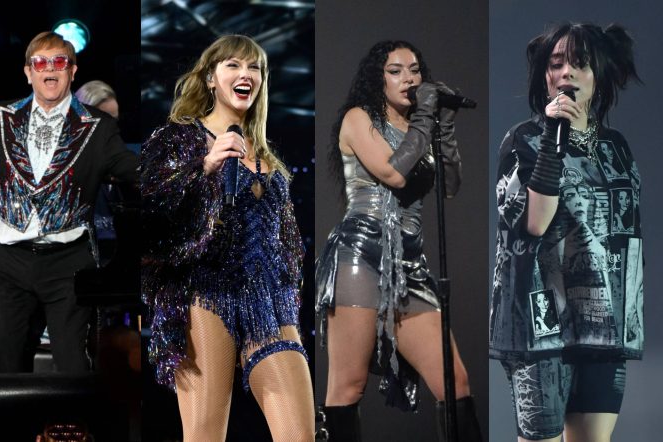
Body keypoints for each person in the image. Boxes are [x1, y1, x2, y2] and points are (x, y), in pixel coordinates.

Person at [140, 34, 314, 440]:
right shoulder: (178, 139)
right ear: (211, 79)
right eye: (233, 65)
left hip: (269, 301)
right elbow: (150, 214)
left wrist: (290, 296)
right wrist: (204, 168)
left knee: (300, 434)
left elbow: (287, 245)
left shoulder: (267, 155)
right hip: (204, 290)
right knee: (204, 435)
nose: (245, 74)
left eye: (254, 67)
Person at [315, 40, 482, 441]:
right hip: (362, 254)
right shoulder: (359, 119)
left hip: (409, 263)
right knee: (348, 385)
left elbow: (452, 186)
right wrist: (426, 116)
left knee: (453, 380)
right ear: (379, 78)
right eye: (396, 70)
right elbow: (393, 174)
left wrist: (445, 125)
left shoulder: (422, 128)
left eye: (414, 69)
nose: (408, 78)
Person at [490, 22, 643, 442]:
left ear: (599, 77)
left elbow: (623, 235)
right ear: (545, 75)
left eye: (580, 64)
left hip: (603, 325)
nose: (567, 74)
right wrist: (554, 142)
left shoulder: (616, 147)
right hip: (540, 323)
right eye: (556, 64)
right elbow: (535, 222)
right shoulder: (523, 140)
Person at [0, 31, 138, 373]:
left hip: (69, 263)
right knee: (4, 361)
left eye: (59, 61)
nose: (50, 68)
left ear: (72, 71)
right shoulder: (0, 117)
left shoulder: (98, 127)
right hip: (9, 260)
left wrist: (196, 163)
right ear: (28, 72)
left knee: (74, 365)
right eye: (40, 62)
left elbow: (134, 168)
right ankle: (11, 429)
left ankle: (70, 430)